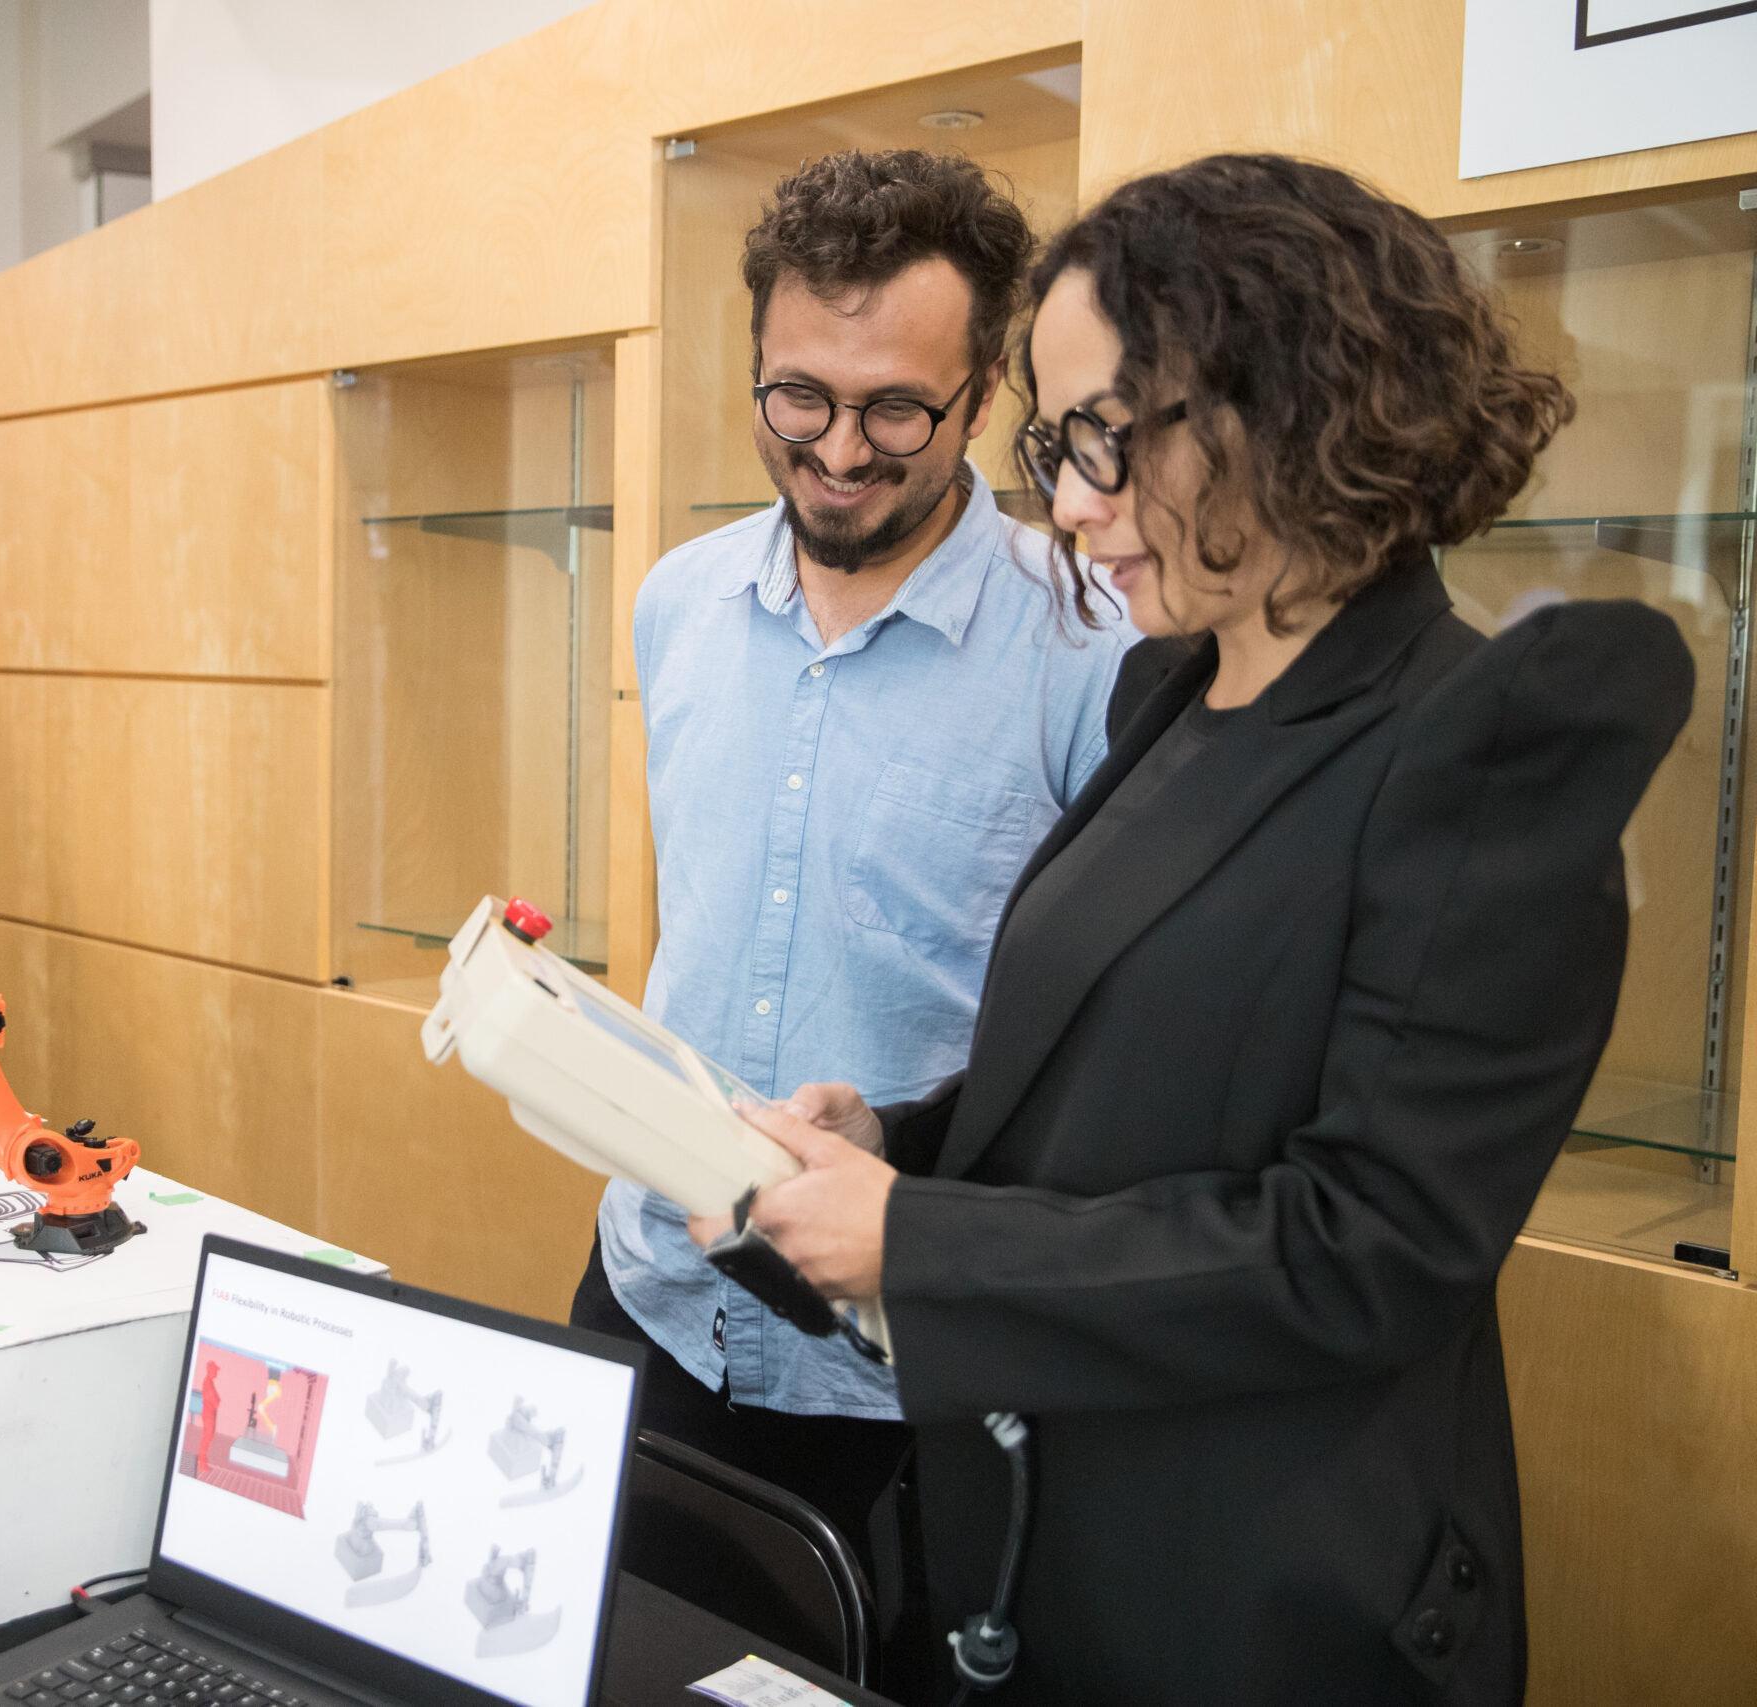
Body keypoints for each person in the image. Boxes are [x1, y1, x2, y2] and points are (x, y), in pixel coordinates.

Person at [716, 154, 1693, 1704]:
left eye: (1107, 439)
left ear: (1284, 400)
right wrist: (893, 1146)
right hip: (1051, 1538)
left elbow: (1371, 1245)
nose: (1069, 504)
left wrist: (923, 1239)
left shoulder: (1476, 738)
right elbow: (1110, 1076)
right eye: (1058, 445)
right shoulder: (1172, 686)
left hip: (1257, 1595)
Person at [568, 149, 1133, 1595]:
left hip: (898, 1368)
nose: (836, 449)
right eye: (798, 396)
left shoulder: (1092, 643)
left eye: (894, 408)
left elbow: (1106, 1049)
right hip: (653, 1291)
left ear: (985, 396)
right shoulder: (677, 601)